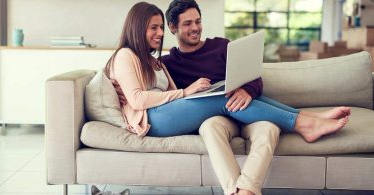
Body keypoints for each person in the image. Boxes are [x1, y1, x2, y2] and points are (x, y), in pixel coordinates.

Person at [105, 2, 349, 195]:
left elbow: (252, 77)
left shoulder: (159, 61)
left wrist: (241, 90)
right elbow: (137, 100)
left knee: (225, 94)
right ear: (173, 27)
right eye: (153, 28)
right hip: (152, 120)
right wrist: (186, 91)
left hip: (185, 110)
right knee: (220, 98)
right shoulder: (128, 55)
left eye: (198, 22)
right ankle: (304, 122)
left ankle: (306, 119)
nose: (159, 33)